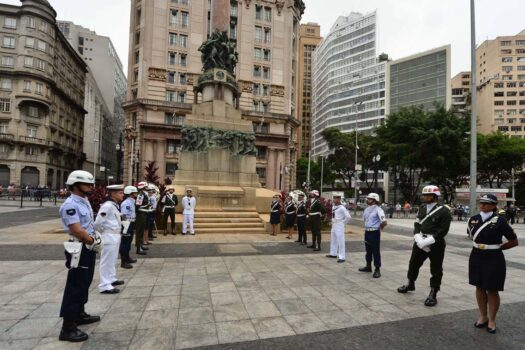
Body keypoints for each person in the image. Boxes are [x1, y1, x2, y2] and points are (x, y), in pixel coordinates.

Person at [58, 170, 102, 342]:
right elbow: (77, 229)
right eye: (87, 184)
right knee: (75, 285)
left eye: (91, 184)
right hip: (79, 246)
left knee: (85, 281)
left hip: (87, 245)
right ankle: (68, 327)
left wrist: (93, 240)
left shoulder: (84, 201)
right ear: (75, 185)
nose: (91, 187)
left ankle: (79, 314)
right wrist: (92, 241)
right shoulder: (70, 205)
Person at [467, 194, 519, 334]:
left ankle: (492, 319)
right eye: (481, 203)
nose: (483, 205)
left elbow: (514, 241)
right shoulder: (473, 219)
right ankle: (483, 316)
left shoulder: (501, 221)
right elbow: (471, 236)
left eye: (486, 203)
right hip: (476, 256)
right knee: (479, 287)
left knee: (492, 289)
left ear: (494, 205)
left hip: (494, 258)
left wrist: (499, 248)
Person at [397, 185, 452, 307]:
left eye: (429, 195)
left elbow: (443, 230)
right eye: (425, 195)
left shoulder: (444, 211)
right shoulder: (421, 208)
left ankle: (433, 292)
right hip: (420, 240)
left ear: (435, 196)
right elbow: (417, 223)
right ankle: (410, 283)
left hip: (436, 243)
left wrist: (429, 240)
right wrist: (417, 235)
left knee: (436, 269)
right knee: (413, 263)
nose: (426, 197)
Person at [96, 185, 125, 294]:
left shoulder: (114, 206)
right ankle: (104, 285)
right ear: (113, 194)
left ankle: (111, 278)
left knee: (112, 259)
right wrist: (104, 233)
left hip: (115, 235)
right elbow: (98, 223)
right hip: (109, 236)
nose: (122, 195)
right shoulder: (107, 206)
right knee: (106, 260)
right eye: (120, 193)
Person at [359, 193, 387, 278]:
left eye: (370, 199)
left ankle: (377, 269)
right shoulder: (366, 209)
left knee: (375, 251)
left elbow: (384, 222)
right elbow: (365, 220)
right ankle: (368, 266)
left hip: (374, 232)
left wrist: (380, 227)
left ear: (375, 200)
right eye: (368, 199)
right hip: (367, 232)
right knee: (368, 251)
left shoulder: (379, 210)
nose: (368, 200)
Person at [326, 194, 351, 263]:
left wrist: (343, 223)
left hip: (339, 224)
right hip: (334, 224)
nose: (334, 200)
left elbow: (348, 217)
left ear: (339, 199)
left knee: (341, 241)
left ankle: (342, 257)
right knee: (333, 239)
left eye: (336, 198)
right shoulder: (334, 206)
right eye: (333, 198)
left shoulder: (342, 207)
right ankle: (333, 253)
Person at [120, 186, 138, 269]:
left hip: (131, 223)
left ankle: (127, 257)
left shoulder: (131, 202)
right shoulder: (126, 203)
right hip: (126, 224)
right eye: (135, 193)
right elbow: (123, 215)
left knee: (129, 242)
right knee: (125, 243)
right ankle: (123, 261)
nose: (136, 194)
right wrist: (125, 226)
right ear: (131, 194)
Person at [134, 182, 150, 255]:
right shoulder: (141, 194)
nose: (147, 188)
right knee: (139, 231)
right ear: (143, 187)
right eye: (146, 187)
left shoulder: (144, 194)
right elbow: (137, 205)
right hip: (141, 214)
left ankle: (140, 245)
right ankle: (138, 248)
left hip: (144, 213)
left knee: (142, 230)